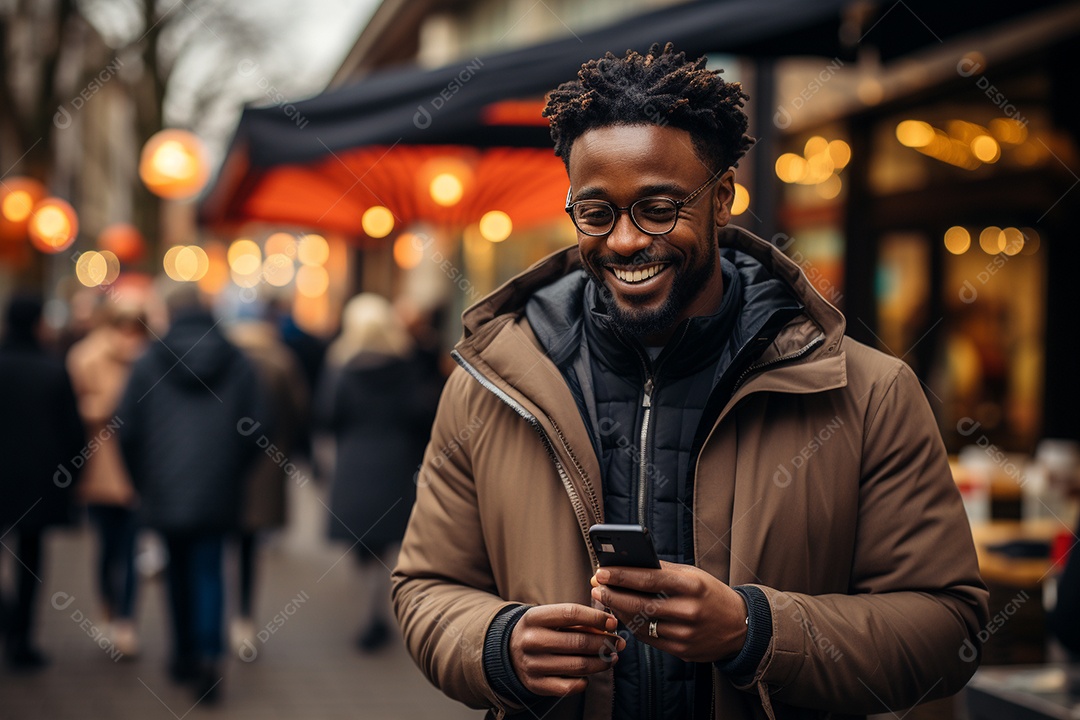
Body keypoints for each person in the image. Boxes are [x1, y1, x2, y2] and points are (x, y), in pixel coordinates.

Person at [392, 44, 989, 720]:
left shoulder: (870, 393)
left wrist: (754, 631)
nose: (623, 240)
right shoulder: (488, 384)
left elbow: (948, 627)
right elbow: (425, 587)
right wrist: (495, 644)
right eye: (596, 213)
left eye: (657, 208)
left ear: (723, 199)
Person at [117, 283, 265, 702]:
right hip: (217, 486)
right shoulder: (237, 361)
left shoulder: (148, 361)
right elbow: (259, 427)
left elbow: (126, 427)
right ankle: (210, 658)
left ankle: (183, 654)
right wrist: (234, 470)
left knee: (176, 572)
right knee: (209, 569)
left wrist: (142, 479)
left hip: (163, 486)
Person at [316, 294, 439, 652]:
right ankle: (378, 614)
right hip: (397, 465)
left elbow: (326, 415)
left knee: (363, 546)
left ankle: (367, 616)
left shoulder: (340, 366)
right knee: (391, 544)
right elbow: (424, 415)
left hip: (355, 465)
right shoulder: (407, 365)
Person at [0, 294, 85, 670]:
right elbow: (73, 433)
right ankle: (22, 637)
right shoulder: (52, 369)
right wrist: (70, 479)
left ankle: (8, 618)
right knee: (30, 559)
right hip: (38, 482)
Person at [67, 294, 150, 659]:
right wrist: (108, 406)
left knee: (131, 550)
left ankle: (126, 621)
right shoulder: (85, 357)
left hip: (138, 471)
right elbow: (67, 410)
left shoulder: (151, 363)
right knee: (105, 548)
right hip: (98, 469)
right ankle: (106, 610)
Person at [225, 317, 308, 656]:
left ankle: (218, 621)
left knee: (215, 547)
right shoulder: (281, 362)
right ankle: (244, 619)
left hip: (225, 469)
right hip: (267, 465)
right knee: (248, 547)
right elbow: (301, 410)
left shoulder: (227, 364)